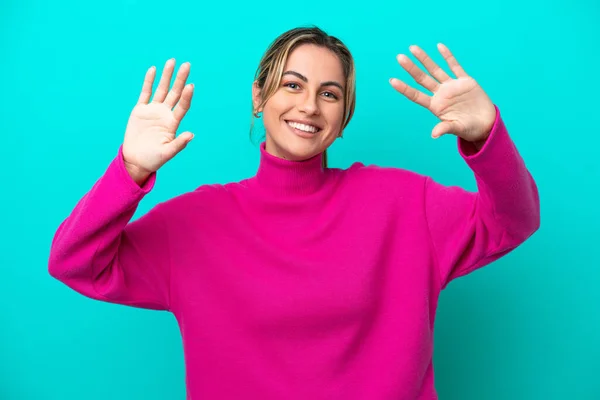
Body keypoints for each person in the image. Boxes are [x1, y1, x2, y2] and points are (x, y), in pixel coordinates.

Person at [48, 26, 540, 399]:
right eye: (292, 85)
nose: (309, 106)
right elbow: (75, 262)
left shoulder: (406, 203)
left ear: (343, 119)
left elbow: (514, 221)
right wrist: (129, 169)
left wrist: (485, 135)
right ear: (259, 97)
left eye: (329, 94)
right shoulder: (195, 223)